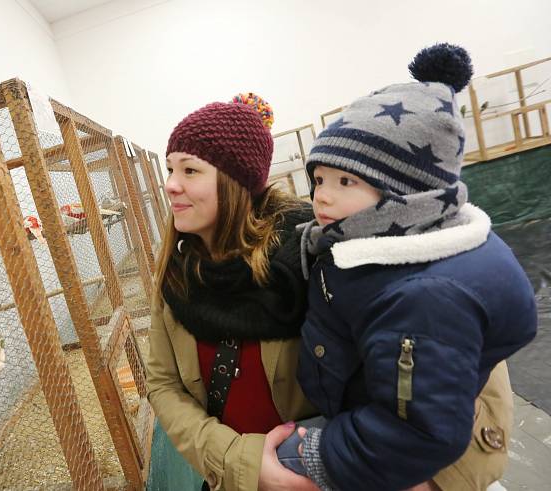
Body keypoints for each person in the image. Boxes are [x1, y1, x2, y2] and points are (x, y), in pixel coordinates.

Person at [147, 89, 518, 491]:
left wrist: (436, 479)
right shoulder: (178, 274)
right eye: (169, 170)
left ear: (236, 181)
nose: (170, 185)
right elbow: (164, 385)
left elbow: (466, 354)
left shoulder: (325, 247)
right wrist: (242, 463)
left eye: (189, 171)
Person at [274, 44, 538, 491]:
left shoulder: (425, 297)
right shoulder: (374, 240)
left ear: (406, 195)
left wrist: (324, 454)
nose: (321, 196)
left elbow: (421, 431)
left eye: (346, 181)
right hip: (373, 410)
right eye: (318, 180)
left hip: (388, 446)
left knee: (283, 459)